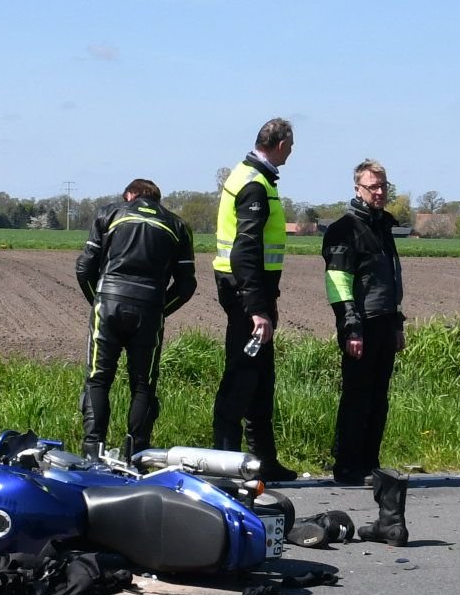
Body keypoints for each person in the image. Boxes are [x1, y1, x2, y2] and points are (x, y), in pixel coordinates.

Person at [74, 176, 196, 459]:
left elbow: (84, 268)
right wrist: (160, 310)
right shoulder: (178, 225)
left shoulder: (109, 213)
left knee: (98, 380)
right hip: (150, 309)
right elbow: (187, 286)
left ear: (130, 195)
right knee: (143, 385)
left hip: (108, 304)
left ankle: (93, 452)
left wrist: (97, 302)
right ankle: (137, 453)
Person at [211, 116, 300, 480]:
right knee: (242, 376)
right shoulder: (254, 185)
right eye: (291, 147)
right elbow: (244, 250)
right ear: (280, 145)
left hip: (252, 292)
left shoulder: (252, 176)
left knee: (262, 377)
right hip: (248, 295)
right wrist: (257, 309)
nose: (291, 154)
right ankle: (226, 462)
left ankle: (264, 460)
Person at [322, 158, 407, 483]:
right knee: (357, 398)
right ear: (358, 188)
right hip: (361, 325)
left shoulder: (383, 226)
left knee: (378, 398)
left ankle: (369, 462)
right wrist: (351, 328)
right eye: (373, 186)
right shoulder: (344, 229)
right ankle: (347, 465)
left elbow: (390, 281)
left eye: (384, 186)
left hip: (385, 322)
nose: (380, 192)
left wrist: (397, 324)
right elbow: (339, 284)